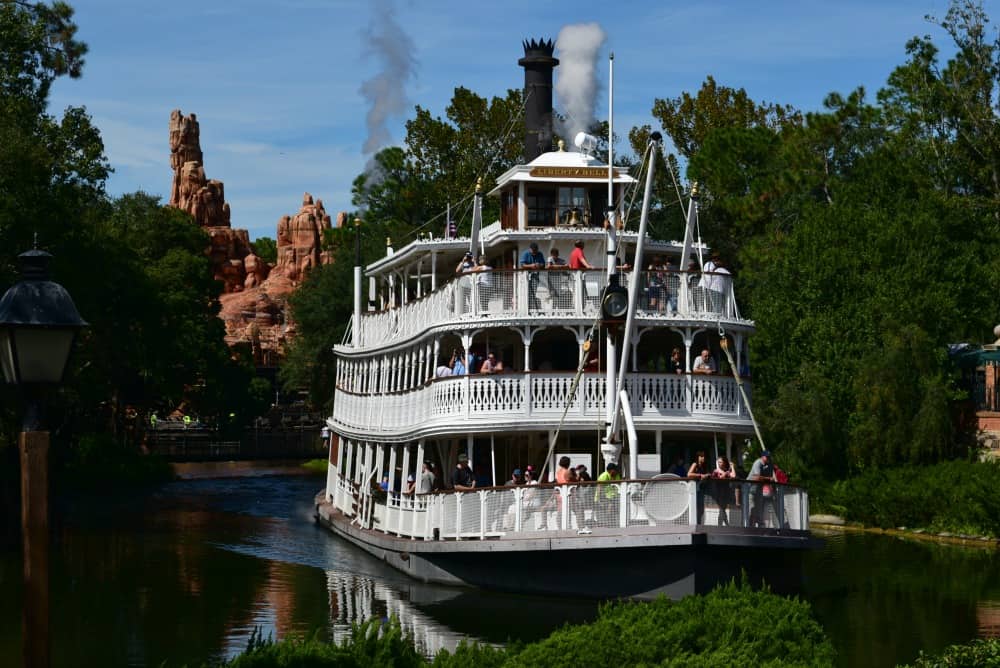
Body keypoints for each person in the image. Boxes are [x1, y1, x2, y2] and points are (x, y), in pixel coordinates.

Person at [748, 450, 775, 528]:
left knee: (759, 509)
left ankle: (760, 527)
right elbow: (756, 477)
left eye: (769, 457)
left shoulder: (769, 464)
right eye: (767, 457)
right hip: (750, 489)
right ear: (762, 457)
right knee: (751, 509)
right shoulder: (758, 463)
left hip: (759, 490)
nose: (768, 458)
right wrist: (768, 479)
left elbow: (770, 478)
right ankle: (750, 528)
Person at [711, 455, 737, 526]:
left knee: (723, 509)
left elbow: (733, 476)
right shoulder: (716, 471)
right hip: (718, 492)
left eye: (721, 462)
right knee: (722, 509)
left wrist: (732, 467)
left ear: (724, 463)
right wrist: (725, 473)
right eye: (718, 462)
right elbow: (720, 477)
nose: (719, 464)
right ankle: (724, 525)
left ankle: (725, 524)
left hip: (725, 492)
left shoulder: (726, 470)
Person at [687, 451, 711, 524]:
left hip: (700, 489)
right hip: (693, 489)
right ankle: (693, 523)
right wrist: (700, 475)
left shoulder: (703, 466)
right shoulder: (695, 464)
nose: (703, 458)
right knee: (694, 506)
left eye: (704, 457)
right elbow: (689, 474)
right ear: (698, 457)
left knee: (700, 507)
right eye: (701, 456)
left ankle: (699, 523)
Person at [520, 242, 545, 311]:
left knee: (535, 292)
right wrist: (531, 266)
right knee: (527, 292)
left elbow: (543, 264)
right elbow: (522, 265)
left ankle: (535, 308)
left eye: (536, 250)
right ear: (530, 249)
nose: (534, 252)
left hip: (536, 276)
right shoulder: (525, 254)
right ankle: (528, 308)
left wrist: (539, 265)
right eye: (533, 251)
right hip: (526, 277)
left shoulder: (540, 254)